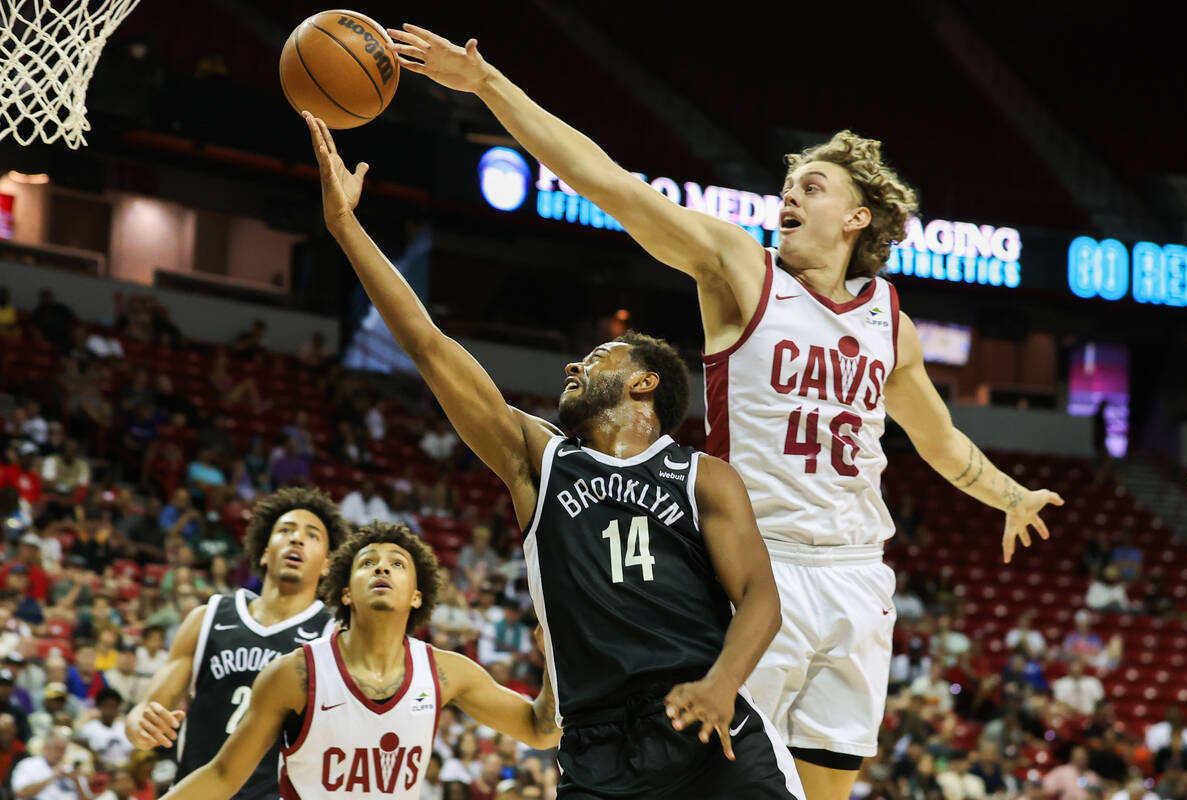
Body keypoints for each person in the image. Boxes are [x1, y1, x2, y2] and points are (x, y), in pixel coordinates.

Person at [387, 23, 1065, 800]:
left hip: (856, 575)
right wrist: (487, 86)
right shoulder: (743, 270)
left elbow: (940, 442)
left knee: (821, 791)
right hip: (757, 568)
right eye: (790, 183)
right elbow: (610, 185)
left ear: (857, 219)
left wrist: (1010, 496)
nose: (790, 195)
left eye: (813, 187)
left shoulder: (892, 321)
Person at [303, 112, 803, 798]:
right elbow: (427, 343)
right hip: (596, 748)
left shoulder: (703, 477)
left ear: (644, 382)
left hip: (705, 725)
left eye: (597, 357)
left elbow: (761, 599)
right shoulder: (537, 457)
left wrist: (722, 686)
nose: (574, 364)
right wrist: (346, 230)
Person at [156, 522, 561, 800]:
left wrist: (554, 660)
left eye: (397, 564)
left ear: (417, 596)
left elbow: (541, 730)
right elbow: (224, 775)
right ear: (346, 592)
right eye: (367, 563)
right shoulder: (295, 674)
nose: (382, 566)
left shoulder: (446, 672)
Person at [125, 487, 350, 800]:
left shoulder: (332, 638)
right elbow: (149, 711)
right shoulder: (209, 618)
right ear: (264, 551)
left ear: (327, 564)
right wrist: (140, 725)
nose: (296, 539)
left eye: (312, 535)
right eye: (285, 530)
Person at [10, 727, 88, 800]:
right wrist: (52, 776)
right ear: (46, 746)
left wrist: (76, 781)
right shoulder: (28, 764)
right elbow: (21, 793)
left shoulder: (70, 769)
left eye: (63, 750)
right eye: (56, 748)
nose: (60, 753)